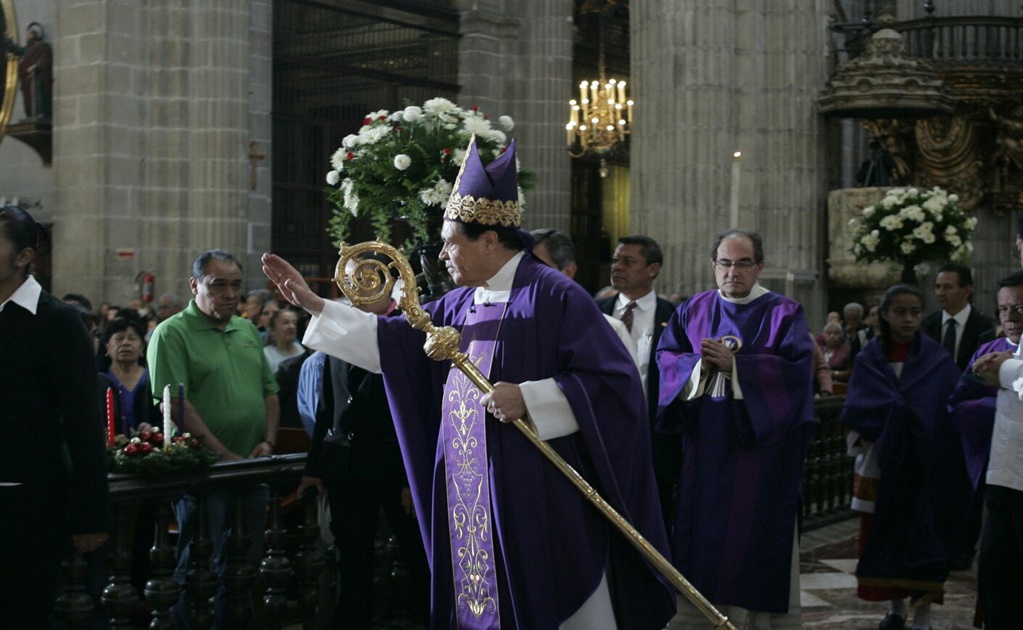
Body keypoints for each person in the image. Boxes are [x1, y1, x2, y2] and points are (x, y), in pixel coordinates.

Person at [263, 137, 675, 629]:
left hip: (534, 493)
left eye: (451, 241)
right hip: (467, 493)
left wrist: (531, 396)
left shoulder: (555, 296)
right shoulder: (460, 302)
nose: (442, 254)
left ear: (488, 240)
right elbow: (393, 346)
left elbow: (613, 386)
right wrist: (314, 304)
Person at [657, 229, 814, 627]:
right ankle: (699, 612)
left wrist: (738, 367)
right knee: (703, 528)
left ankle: (751, 619)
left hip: (758, 448)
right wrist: (697, 367)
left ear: (759, 266)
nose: (733, 271)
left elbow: (796, 374)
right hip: (706, 441)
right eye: (725, 262)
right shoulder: (691, 309)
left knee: (753, 534)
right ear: (713, 266)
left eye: (743, 262)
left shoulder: (785, 312)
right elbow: (667, 357)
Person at [147, 249, 280, 629]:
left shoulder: (246, 331)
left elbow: (269, 392)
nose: (229, 294)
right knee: (200, 567)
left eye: (236, 285)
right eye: (217, 285)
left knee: (245, 566)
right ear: (195, 286)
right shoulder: (171, 333)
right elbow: (175, 403)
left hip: (252, 467)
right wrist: (222, 455)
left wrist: (267, 444)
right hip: (205, 473)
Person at [297, 253, 429, 629]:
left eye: (367, 277)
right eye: (351, 280)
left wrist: (410, 477)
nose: (357, 287)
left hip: (393, 467)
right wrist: (314, 467)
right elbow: (328, 406)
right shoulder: (339, 329)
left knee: (417, 557)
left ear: (387, 281)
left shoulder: (407, 329)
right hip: (346, 467)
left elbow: (419, 408)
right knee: (350, 561)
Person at [0, 205, 109, 628]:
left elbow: (83, 423)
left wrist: (90, 514)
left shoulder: (57, 321)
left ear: (24, 256)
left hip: (26, 501)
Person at [841, 284, 970, 630]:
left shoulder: (936, 359)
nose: (909, 319)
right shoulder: (870, 357)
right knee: (887, 536)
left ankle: (924, 615)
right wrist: (891, 417)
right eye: (900, 311)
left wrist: (914, 420)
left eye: (915, 312)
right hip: (882, 463)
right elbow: (857, 406)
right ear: (884, 314)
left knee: (925, 535)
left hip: (926, 464)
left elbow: (949, 405)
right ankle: (896, 609)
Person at [597, 235, 678, 526]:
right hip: (602, 438)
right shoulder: (594, 311)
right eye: (616, 260)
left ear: (652, 269)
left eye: (628, 261)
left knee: (653, 522)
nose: (618, 267)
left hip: (653, 442)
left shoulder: (675, 317)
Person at [970, 270, 1023, 628]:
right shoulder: (1006, 351)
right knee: (997, 576)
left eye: (1020, 308)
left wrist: (1004, 372)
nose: (1011, 318)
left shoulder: (1008, 360)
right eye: (1004, 309)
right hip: (1003, 478)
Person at [530, 228, 638, 365]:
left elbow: (622, 384)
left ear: (568, 272)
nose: (524, 276)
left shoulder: (609, 330)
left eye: (537, 268)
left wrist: (528, 388)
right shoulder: (499, 322)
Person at [923, 262, 994, 372]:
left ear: (967, 290)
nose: (940, 293)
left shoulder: (985, 327)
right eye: (937, 287)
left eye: (947, 287)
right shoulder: (926, 325)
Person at [1, 22, 53, 120]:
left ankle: (40, 113)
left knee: (38, 94)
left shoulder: (42, 47)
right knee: (29, 98)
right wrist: (7, 40)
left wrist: (36, 66)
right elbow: (16, 49)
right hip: (28, 79)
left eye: (29, 35)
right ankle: (31, 114)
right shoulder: (27, 49)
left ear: (34, 36)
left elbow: (45, 59)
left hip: (37, 77)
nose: (27, 37)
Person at [263, 306, 305, 373]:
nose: (291, 327)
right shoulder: (267, 354)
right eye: (285, 323)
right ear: (273, 330)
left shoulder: (301, 350)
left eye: (294, 323)